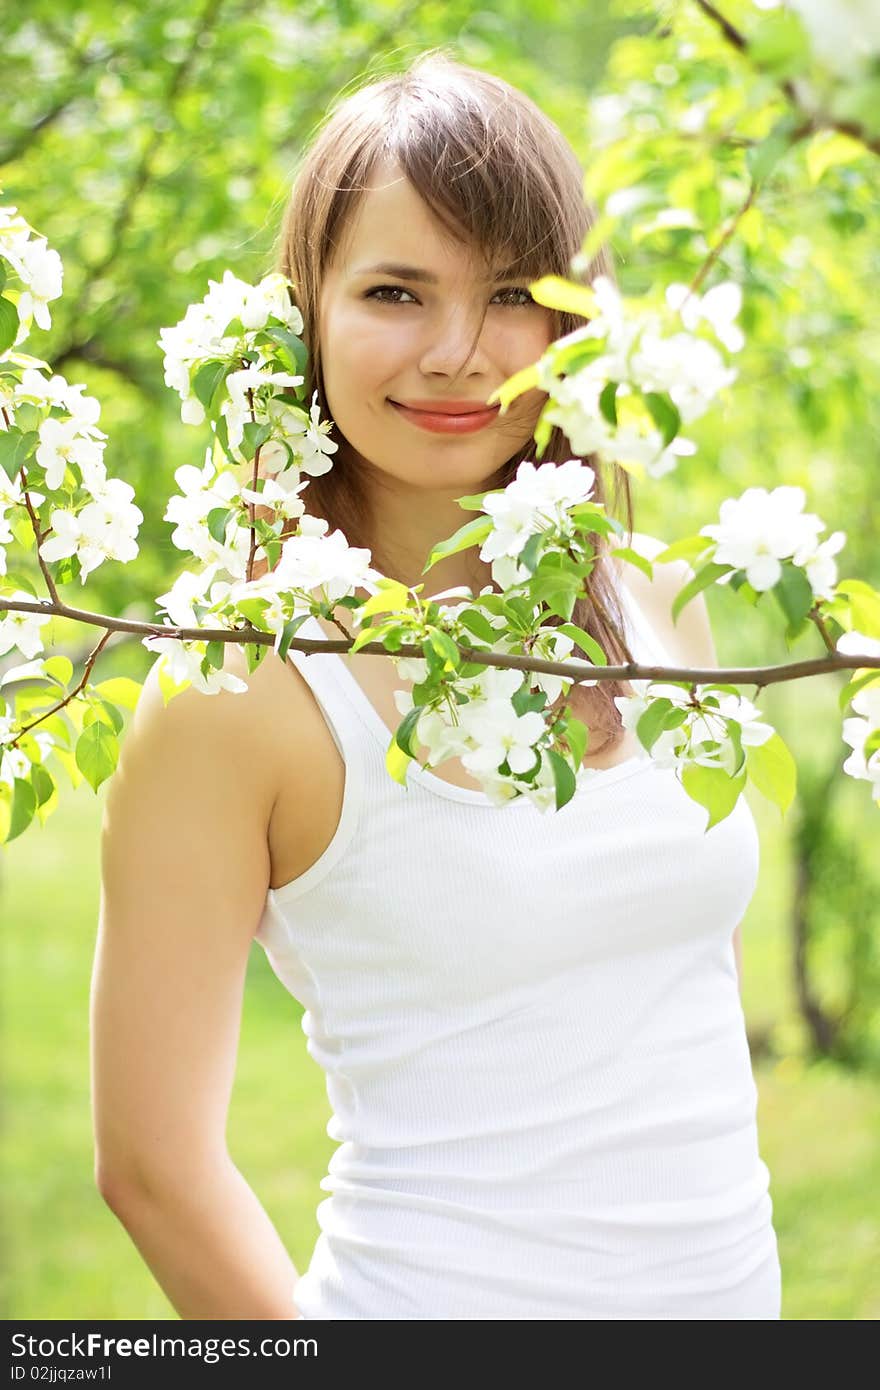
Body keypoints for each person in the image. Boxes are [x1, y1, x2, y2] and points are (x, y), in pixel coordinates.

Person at [91, 50, 782, 1319]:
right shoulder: (241, 685)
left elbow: (681, 993)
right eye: (396, 292)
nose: (459, 353)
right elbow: (151, 1166)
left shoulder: (655, 596)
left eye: (511, 291)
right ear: (308, 314)